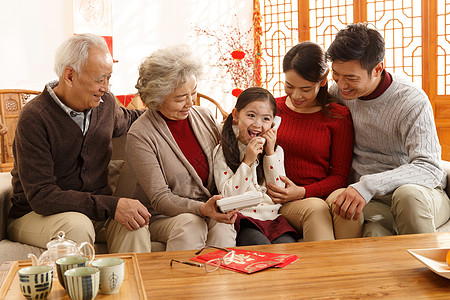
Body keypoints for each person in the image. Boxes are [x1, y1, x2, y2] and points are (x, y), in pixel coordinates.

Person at [7, 33, 151, 253]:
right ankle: (81, 287)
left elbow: (134, 119)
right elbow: (42, 197)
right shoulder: (35, 117)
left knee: (134, 225)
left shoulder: (105, 105)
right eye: (100, 79)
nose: (106, 87)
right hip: (35, 215)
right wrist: (111, 206)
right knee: (77, 225)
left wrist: (167, 107)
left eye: (109, 78)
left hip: (94, 212)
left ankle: (131, 288)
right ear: (70, 76)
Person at [326, 23, 450, 236]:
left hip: (421, 194)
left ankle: (426, 266)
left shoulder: (411, 101)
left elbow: (428, 167)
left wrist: (368, 185)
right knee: (372, 233)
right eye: (336, 74)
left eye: (351, 78)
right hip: (373, 200)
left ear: (378, 69)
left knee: (407, 196)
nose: (342, 84)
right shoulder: (338, 93)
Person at [126, 44, 237, 251]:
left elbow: (229, 158)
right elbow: (160, 199)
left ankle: (222, 282)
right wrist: (202, 209)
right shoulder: (140, 134)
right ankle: (184, 283)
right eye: (180, 98)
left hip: (210, 208)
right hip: (164, 216)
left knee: (223, 228)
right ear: (157, 98)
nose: (190, 102)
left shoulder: (204, 116)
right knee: (191, 224)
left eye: (193, 93)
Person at [266, 41, 363, 241]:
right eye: (289, 86)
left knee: (349, 205)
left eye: (306, 89)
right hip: (282, 199)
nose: (296, 95)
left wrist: (303, 191)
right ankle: (324, 272)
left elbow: (340, 176)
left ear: (323, 81)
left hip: (319, 193)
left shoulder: (338, 115)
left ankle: (351, 270)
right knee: (315, 208)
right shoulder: (270, 109)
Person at [213, 87, 297, 246]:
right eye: (251, 116)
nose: (258, 124)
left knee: (287, 250)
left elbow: (278, 191)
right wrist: (247, 161)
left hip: (272, 218)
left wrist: (270, 154)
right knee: (263, 249)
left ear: (273, 122)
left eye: (266, 119)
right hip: (244, 220)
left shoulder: (275, 151)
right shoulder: (223, 150)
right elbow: (229, 196)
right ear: (236, 116)